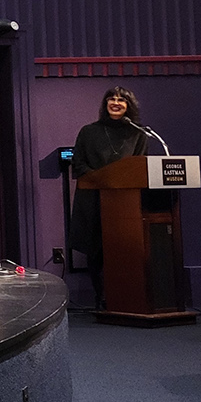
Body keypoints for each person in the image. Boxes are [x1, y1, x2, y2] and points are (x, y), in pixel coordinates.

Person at [69, 86, 148, 308]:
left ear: (128, 106)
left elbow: (139, 165)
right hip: (94, 197)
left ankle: (127, 295)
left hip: (126, 202)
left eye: (121, 100)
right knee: (96, 247)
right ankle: (101, 297)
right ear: (105, 105)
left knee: (125, 246)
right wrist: (101, 179)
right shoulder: (88, 131)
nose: (115, 103)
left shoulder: (139, 133)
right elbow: (78, 162)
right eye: (111, 99)